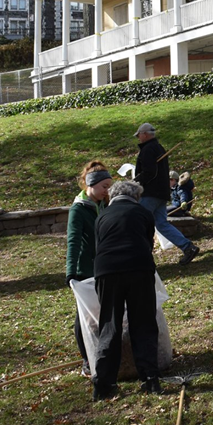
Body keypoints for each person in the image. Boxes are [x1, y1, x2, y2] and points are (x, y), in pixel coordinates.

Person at [92, 180, 161, 400]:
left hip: (107, 271)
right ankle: (150, 380)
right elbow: (148, 243)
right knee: (143, 323)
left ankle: (103, 384)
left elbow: (99, 244)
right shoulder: (142, 212)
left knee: (109, 323)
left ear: (112, 196)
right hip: (138, 268)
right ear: (135, 197)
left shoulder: (102, 216)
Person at [66, 161, 113, 376]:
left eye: (109, 186)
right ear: (90, 185)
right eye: (104, 186)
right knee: (84, 315)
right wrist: (71, 273)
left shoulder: (104, 204)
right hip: (84, 269)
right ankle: (87, 358)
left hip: (104, 266)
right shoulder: (78, 209)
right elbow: (73, 241)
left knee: (105, 311)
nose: (107, 191)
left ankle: (105, 351)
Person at [134, 123, 199, 265]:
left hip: (150, 194)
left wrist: (136, 181)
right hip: (161, 194)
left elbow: (149, 173)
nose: (138, 138)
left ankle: (142, 258)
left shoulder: (147, 150)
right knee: (161, 224)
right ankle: (188, 247)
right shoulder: (158, 147)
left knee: (139, 224)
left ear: (144, 134)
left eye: (138, 135)